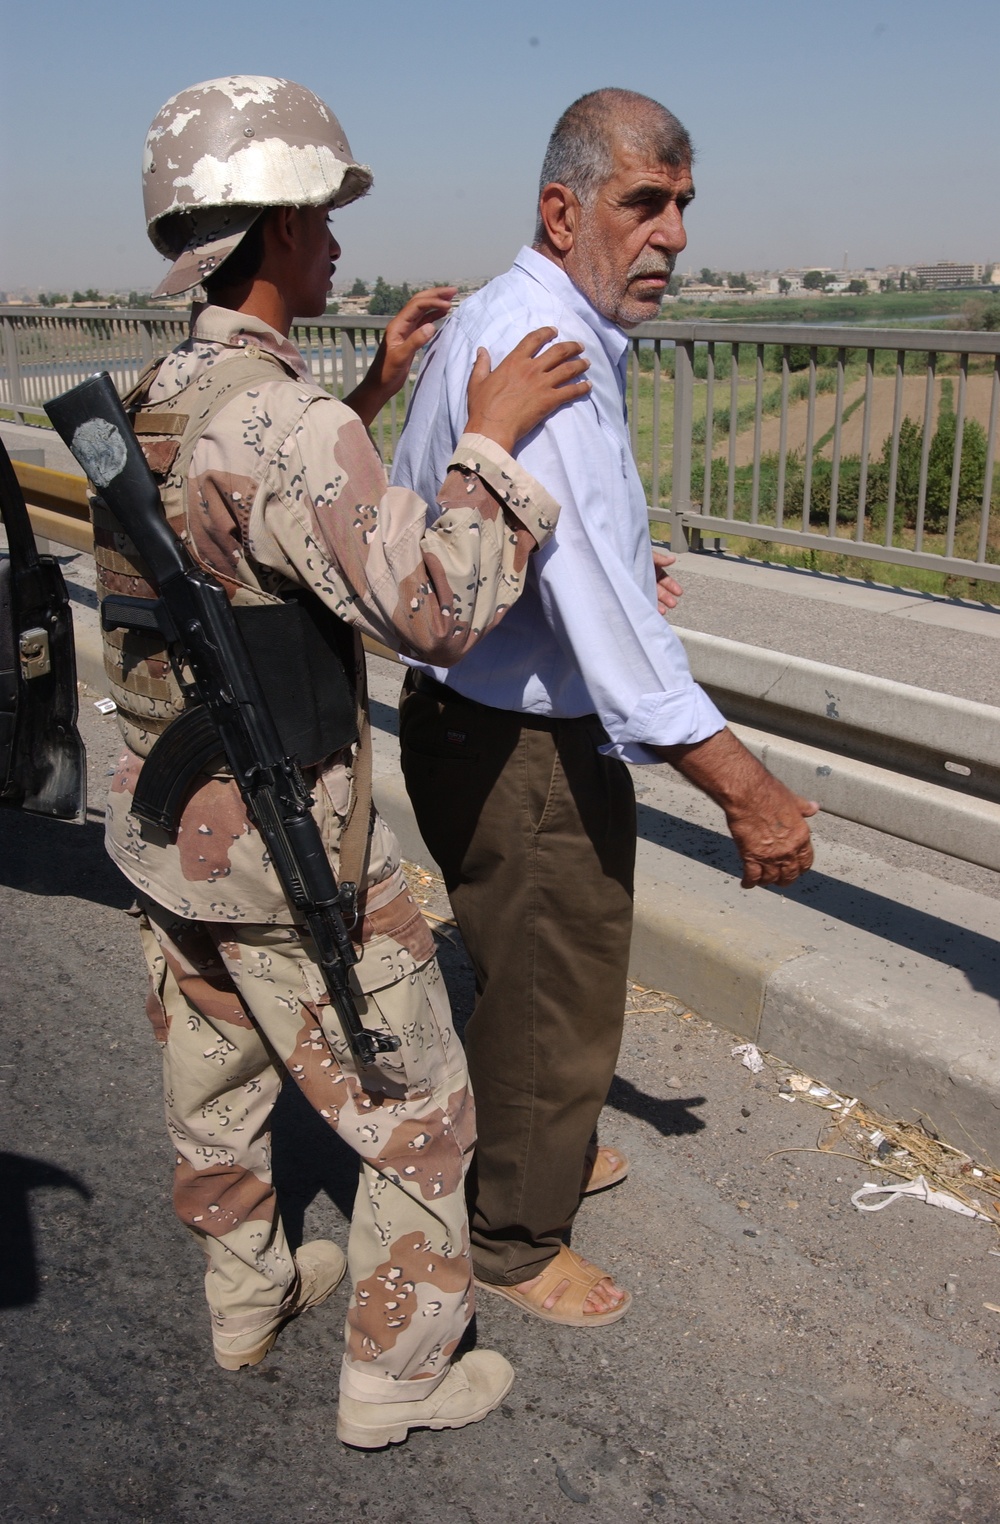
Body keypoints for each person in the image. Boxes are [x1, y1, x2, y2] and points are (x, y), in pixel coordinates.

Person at [104, 75, 590, 1448]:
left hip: (168, 831)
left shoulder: (165, 390)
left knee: (218, 1084)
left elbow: (249, 540)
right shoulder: (289, 425)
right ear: (262, 232)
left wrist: (372, 389)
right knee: (426, 1111)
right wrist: (486, 436)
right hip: (284, 844)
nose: (334, 244)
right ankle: (400, 1373)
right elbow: (435, 606)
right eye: (317, 218)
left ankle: (246, 1302)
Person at [393, 88, 817, 1327]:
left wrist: (619, 567)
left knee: (528, 969)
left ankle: (541, 1149)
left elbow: (518, 533)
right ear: (563, 206)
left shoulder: (513, 316)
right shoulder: (551, 361)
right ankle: (518, 1242)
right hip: (520, 740)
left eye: (682, 205)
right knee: (554, 989)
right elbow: (629, 666)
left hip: (472, 713)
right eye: (645, 202)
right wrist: (754, 794)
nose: (673, 234)